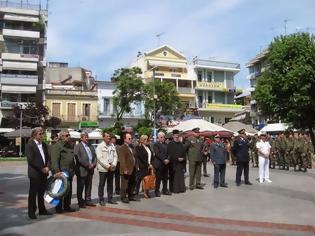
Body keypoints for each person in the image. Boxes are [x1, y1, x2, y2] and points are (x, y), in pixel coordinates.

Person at [25, 127, 52, 219]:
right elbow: (31, 160)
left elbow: (48, 157)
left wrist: (48, 166)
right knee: (33, 193)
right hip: (35, 173)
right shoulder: (30, 145)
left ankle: (42, 209)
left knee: (42, 193)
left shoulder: (43, 144)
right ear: (34, 135)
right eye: (40, 133)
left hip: (44, 173)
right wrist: (42, 168)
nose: (42, 135)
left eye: (42, 133)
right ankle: (31, 211)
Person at [51, 130, 76, 213]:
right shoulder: (57, 146)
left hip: (70, 171)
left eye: (69, 135)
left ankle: (67, 206)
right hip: (61, 172)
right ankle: (58, 207)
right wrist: (57, 171)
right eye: (67, 135)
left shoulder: (70, 145)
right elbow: (55, 160)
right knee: (60, 190)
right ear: (62, 136)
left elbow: (72, 158)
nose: (69, 136)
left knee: (68, 190)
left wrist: (74, 169)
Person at [74, 132, 97, 208]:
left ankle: (88, 200)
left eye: (87, 137)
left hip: (90, 170)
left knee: (89, 186)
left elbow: (95, 156)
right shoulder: (78, 146)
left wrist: (93, 164)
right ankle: (80, 201)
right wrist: (87, 165)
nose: (87, 138)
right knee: (80, 187)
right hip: (82, 170)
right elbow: (78, 158)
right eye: (85, 137)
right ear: (81, 138)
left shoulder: (90, 146)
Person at [96, 131, 118, 206]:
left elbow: (115, 156)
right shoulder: (100, 146)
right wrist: (108, 166)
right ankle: (101, 199)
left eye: (109, 136)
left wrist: (114, 164)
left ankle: (110, 198)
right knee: (102, 184)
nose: (109, 137)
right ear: (103, 137)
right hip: (103, 169)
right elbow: (99, 158)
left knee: (110, 184)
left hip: (111, 168)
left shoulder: (112, 145)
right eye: (107, 136)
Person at [118, 132, 137, 203]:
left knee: (132, 183)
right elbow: (122, 159)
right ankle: (123, 197)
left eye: (131, 138)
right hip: (126, 169)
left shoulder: (131, 146)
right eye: (129, 138)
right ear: (125, 139)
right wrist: (124, 169)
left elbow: (134, 157)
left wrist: (136, 166)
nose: (130, 139)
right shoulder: (122, 147)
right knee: (124, 184)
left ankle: (130, 195)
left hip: (133, 168)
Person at [153, 132, 172, 197]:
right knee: (158, 178)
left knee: (165, 178)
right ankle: (157, 191)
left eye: (164, 137)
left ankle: (165, 190)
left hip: (166, 164)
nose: (163, 138)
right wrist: (164, 160)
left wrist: (168, 159)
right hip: (159, 163)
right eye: (161, 137)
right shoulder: (156, 144)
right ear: (158, 137)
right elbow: (157, 153)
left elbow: (169, 153)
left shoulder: (166, 144)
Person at [135, 135, 154, 199]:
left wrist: (151, 164)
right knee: (141, 179)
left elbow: (151, 155)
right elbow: (141, 157)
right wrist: (148, 164)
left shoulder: (148, 146)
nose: (147, 141)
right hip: (142, 166)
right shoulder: (138, 147)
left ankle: (146, 192)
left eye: (147, 139)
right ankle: (139, 192)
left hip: (149, 166)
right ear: (142, 140)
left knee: (148, 180)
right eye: (145, 139)